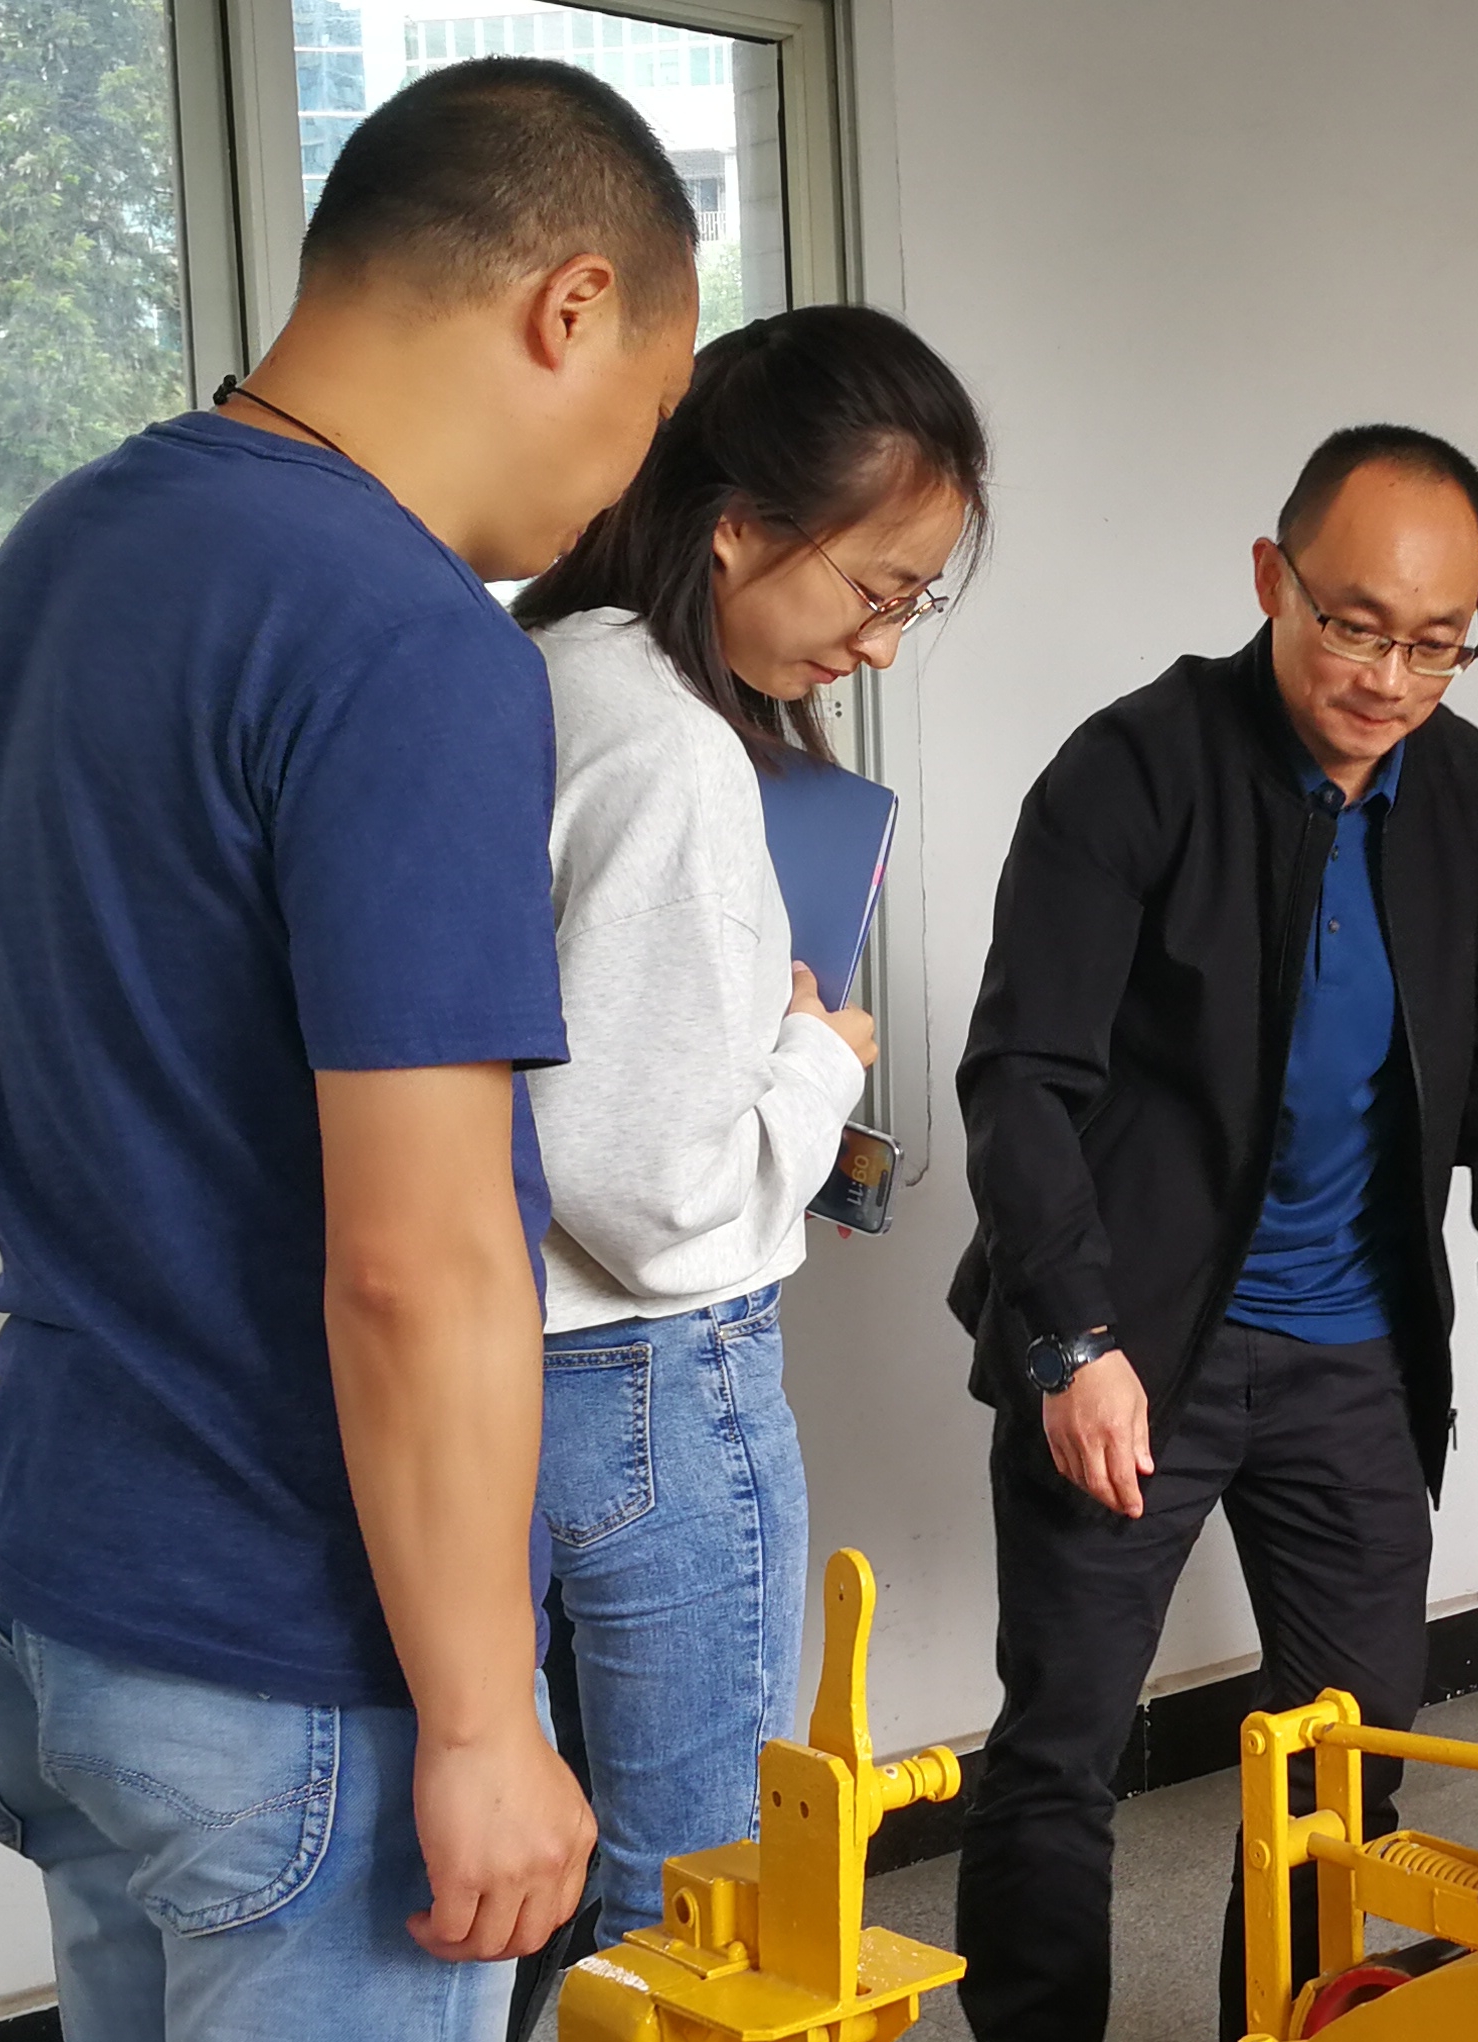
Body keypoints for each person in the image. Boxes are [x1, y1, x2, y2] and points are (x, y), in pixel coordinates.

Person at [0, 60, 694, 2042]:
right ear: (568, 307)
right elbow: (419, 1260)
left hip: (65, 1581)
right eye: (651, 415)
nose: (623, 488)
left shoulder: (70, 548)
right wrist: (480, 1720)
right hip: (292, 1647)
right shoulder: (405, 640)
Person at [935, 426, 1478, 2042]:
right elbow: (1021, 1080)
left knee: (1345, 1751)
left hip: (1356, 1350)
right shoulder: (1132, 770)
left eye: (1436, 642)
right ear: (1269, 579)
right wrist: (1073, 1342)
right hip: (1135, 1341)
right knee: (1062, 1745)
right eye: (1353, 625)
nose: (1388, 679)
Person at [505, 304, 987, 1944]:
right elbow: (652, 1192)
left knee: (531, 1875)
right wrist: (818, 1057)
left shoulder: (545, 672)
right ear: (737, 525)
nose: (882, 646)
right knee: (694, 1900)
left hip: (510, 1359)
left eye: (913, 603)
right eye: (877, 588)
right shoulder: (672, 748)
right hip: (655, 1372)